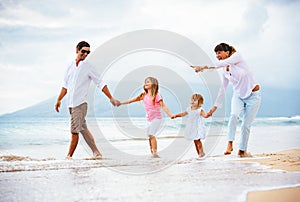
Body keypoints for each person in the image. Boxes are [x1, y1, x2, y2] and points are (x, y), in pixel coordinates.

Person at [191, 43, 261, 157]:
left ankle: (242, 151)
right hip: (238, 96)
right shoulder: (224, 70)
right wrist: (213, 109)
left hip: (253, 96)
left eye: (219, 52)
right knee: (233, 115)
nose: (217, 55)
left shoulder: (237, 57)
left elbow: (222, 63)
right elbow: (222, 90)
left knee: (246, 125)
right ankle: (230, 143)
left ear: (227, 52)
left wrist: (203, 67)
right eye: (216, 54)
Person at [55, 41, 120, 159]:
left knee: (74, 131)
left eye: (88, 52)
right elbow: (65, 85)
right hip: (71, 104)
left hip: (80, 104)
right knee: (83, 129)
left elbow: (100, 83)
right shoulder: (70, 66)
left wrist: (110, 98)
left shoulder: (88, 67)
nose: (85, 54)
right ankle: (97, 153)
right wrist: (59, 99)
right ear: (77, 50)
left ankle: (68, 157)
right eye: (83, 51)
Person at [120, 77, 174, 158]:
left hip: (157, 118)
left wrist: (170, 115)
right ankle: (152, 152)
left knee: (151, 134)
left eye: (148, 82)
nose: (145, 83)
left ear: (153, 84)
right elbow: (131, 100)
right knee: (149, 136)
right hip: (149, 119)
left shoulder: (157, 95)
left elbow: (163, 106)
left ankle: (155, 153)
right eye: (145, 82)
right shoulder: (143, 95)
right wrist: (120, 103)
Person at [172, 94, 211, 158]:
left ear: (200, 102)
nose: (192, 101)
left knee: (198, 140)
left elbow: (205, 115)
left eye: (195, 100)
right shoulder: (189, 109)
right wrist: (176, 115)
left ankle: (202, 152)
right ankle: (199, 154)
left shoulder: (200, 110)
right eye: (192, 100)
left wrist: (208, 115)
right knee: (195, 141)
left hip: (198, 127)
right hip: (192, 128)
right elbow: (183, 114)